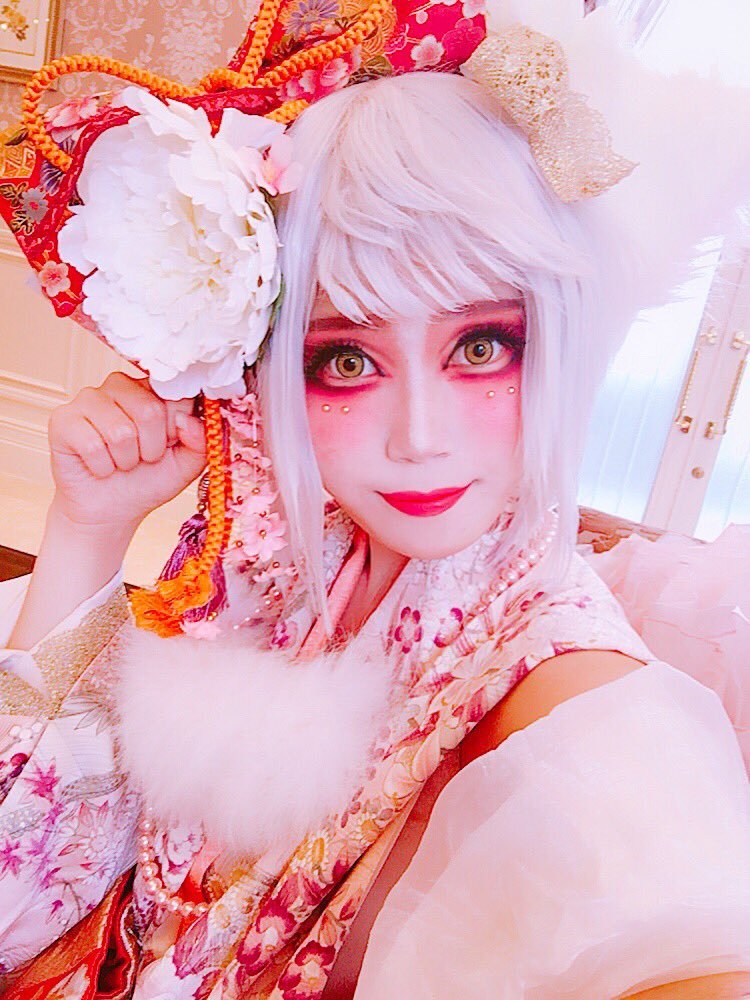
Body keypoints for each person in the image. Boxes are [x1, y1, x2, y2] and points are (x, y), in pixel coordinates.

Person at [0, 0, 749, 996]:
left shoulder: (561, 684)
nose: (419, 436)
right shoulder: (281, 541)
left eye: (481, 345)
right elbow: (36, 886)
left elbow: (674, 926)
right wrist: (88, 529)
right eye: (347, 359)